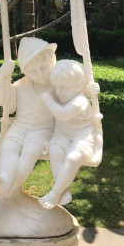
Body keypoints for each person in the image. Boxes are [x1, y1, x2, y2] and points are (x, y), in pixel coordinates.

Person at [0, 37, 57, 198]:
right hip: (19, 127)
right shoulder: (21, 86)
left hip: (42, 130)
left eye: (43, 67)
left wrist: (88, 89)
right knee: (9, 147)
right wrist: (2, 76)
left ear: (51, 62)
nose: (40, 74)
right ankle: (4, 179)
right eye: (33, 70)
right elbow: (1, 100)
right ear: (26, 71)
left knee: (29, 153)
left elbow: (73, 94)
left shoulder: (56, 85)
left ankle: (9, 187)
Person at [38, 59, 100, 209]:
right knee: (55, 151)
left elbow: (62, 113)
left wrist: (47, 100)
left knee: (73, 158)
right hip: (62, 135)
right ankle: (64, 189)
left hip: (83, 137)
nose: (59, 92)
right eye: (56, 87)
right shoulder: (61, 94)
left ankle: (55, 192)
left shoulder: (80, 101)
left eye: (64, 87)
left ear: (78, 86)